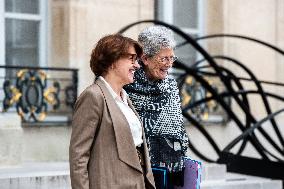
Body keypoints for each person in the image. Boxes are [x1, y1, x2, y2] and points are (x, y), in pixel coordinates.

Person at [69, 34, 156, 189]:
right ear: (112, 61)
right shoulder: (93, 96)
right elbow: (79, 157)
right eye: (131, 59)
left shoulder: (125, 98)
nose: (136, 65)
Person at [124, 26, 189, 188]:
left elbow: (178, 127)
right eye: (163, 59)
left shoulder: (171, 86)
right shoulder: (126, 86)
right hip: (137, 171)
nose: (169, 65)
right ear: (145, 59)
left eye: (172, 58)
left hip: (172, 169)